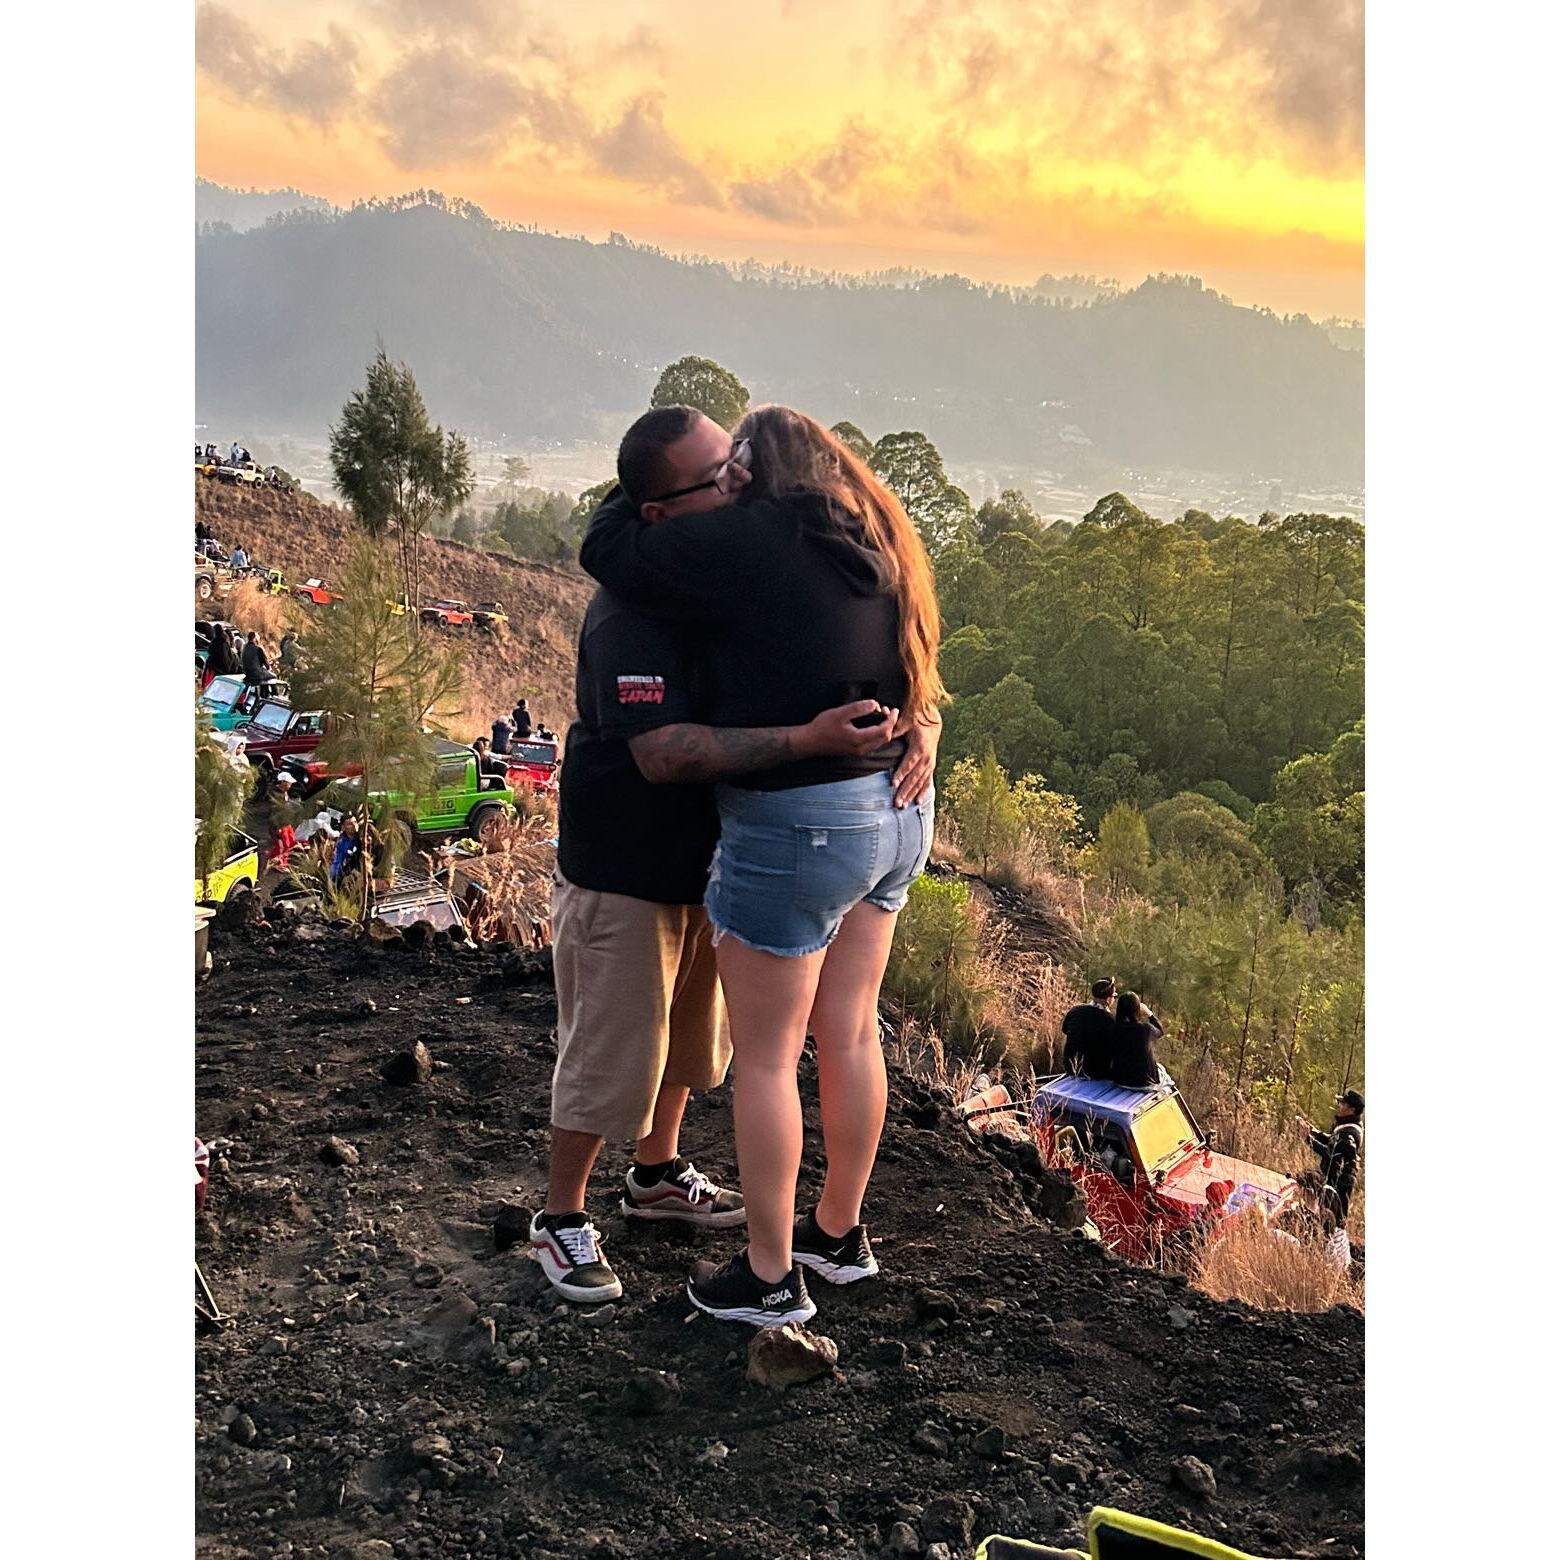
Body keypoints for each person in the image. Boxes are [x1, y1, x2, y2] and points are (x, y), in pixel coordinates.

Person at [530, 406, 937, 1313]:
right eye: (720, 474)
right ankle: (561, 1216)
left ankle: (657, 1176)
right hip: (630, 855)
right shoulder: (638, 603)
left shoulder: (745, 565)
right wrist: (808, 740)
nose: (740, 482)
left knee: (694, 1042)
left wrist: (921, 720)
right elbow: (660, 753)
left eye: (741, 462)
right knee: (612, 1052)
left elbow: (864, 656)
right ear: (661, 511)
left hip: (732, 849)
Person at [1301, 1091, 1364, 1221]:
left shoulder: (1349, 1133)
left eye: (1343, 1104)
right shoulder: (1348, 1127)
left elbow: (1330, 1154)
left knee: (1334, 1218)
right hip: (1335, 1178)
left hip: (1340, 1182)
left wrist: (1307, 1138)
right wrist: (1315, 1133)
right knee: (1307, 1180)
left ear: (1352, 1110)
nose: (1339, 1106)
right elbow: (1333, 1140)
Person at [1061, 977, 1118, 1079]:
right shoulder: (1110, 1019)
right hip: (1097, 1072)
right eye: (1114, 996)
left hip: (1070, 1067)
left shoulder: (1075, 1010)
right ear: (1108, 999)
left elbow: (1065, 1030)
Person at [1108, 991, 1163, 1087]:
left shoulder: (1112, 1028)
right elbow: (1160, 1031)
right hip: (1145, 1083)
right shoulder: (1145, 1029)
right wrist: (1149, 1014)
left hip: (1119, 1080)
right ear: (1137, 1009)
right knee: (1162, 1070)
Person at [331, 816, 362, 883]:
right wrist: (334, 876)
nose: (354, 825)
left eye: (355, 822)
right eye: (350, 824)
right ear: (343, 827)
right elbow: (338, 860)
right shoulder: (342, 843)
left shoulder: (361, 835)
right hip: (348, 873)